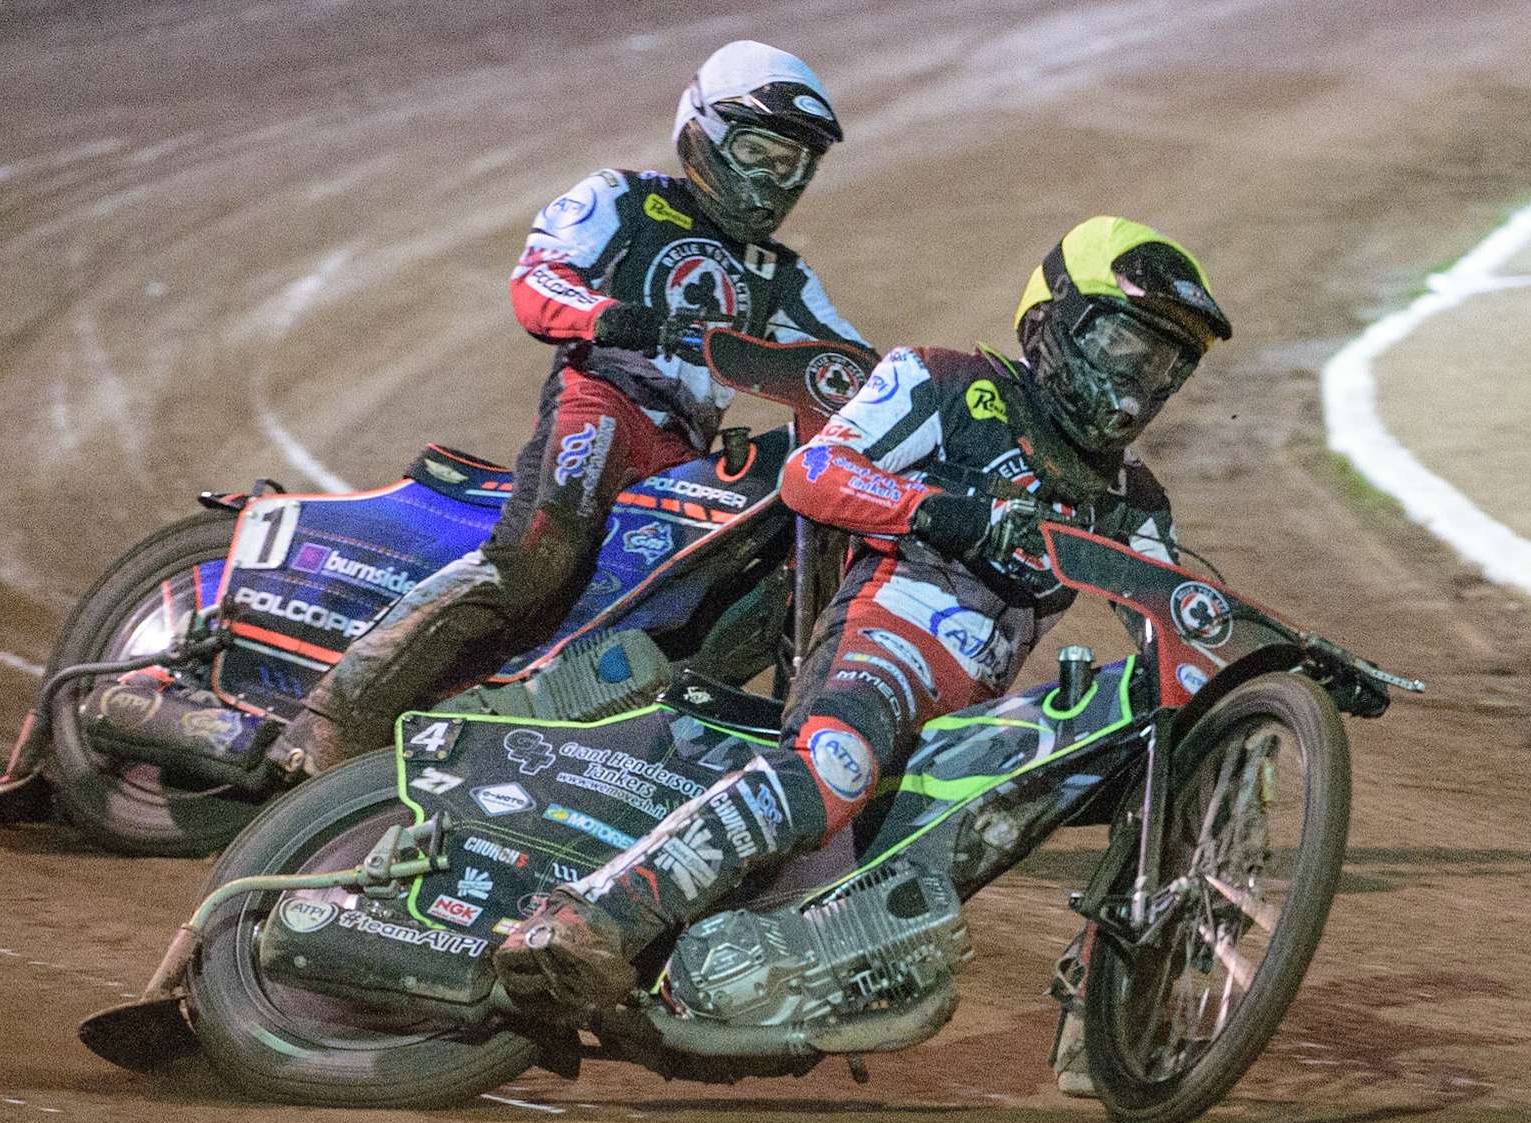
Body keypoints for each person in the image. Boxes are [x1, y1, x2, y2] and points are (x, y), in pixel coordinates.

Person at [495, 216, 1233, 1066]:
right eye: (1125, 345)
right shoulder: (948, 380)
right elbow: (815, 474)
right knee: (832, 765)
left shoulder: (1135, 502)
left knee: (1160, 743)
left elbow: (1176, 636)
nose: (1141, 381)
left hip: (964, 720)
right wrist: (936, 511)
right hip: (883, 639)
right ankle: (590, 912)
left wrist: (1273, 675)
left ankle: (1104, 1007)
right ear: (1053, 322)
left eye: (1166, 364)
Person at [264, 40, 870, 774]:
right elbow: (538, 280)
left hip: (685, 454)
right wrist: (610, 317)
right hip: (604, 402)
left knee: (729, 594)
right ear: (704, 132)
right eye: (759, 150)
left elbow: (852, 365)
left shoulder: (783, 275)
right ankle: (335, 715)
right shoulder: (623, 198)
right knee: (537, 560)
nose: (776, 179)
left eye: (794, 162)